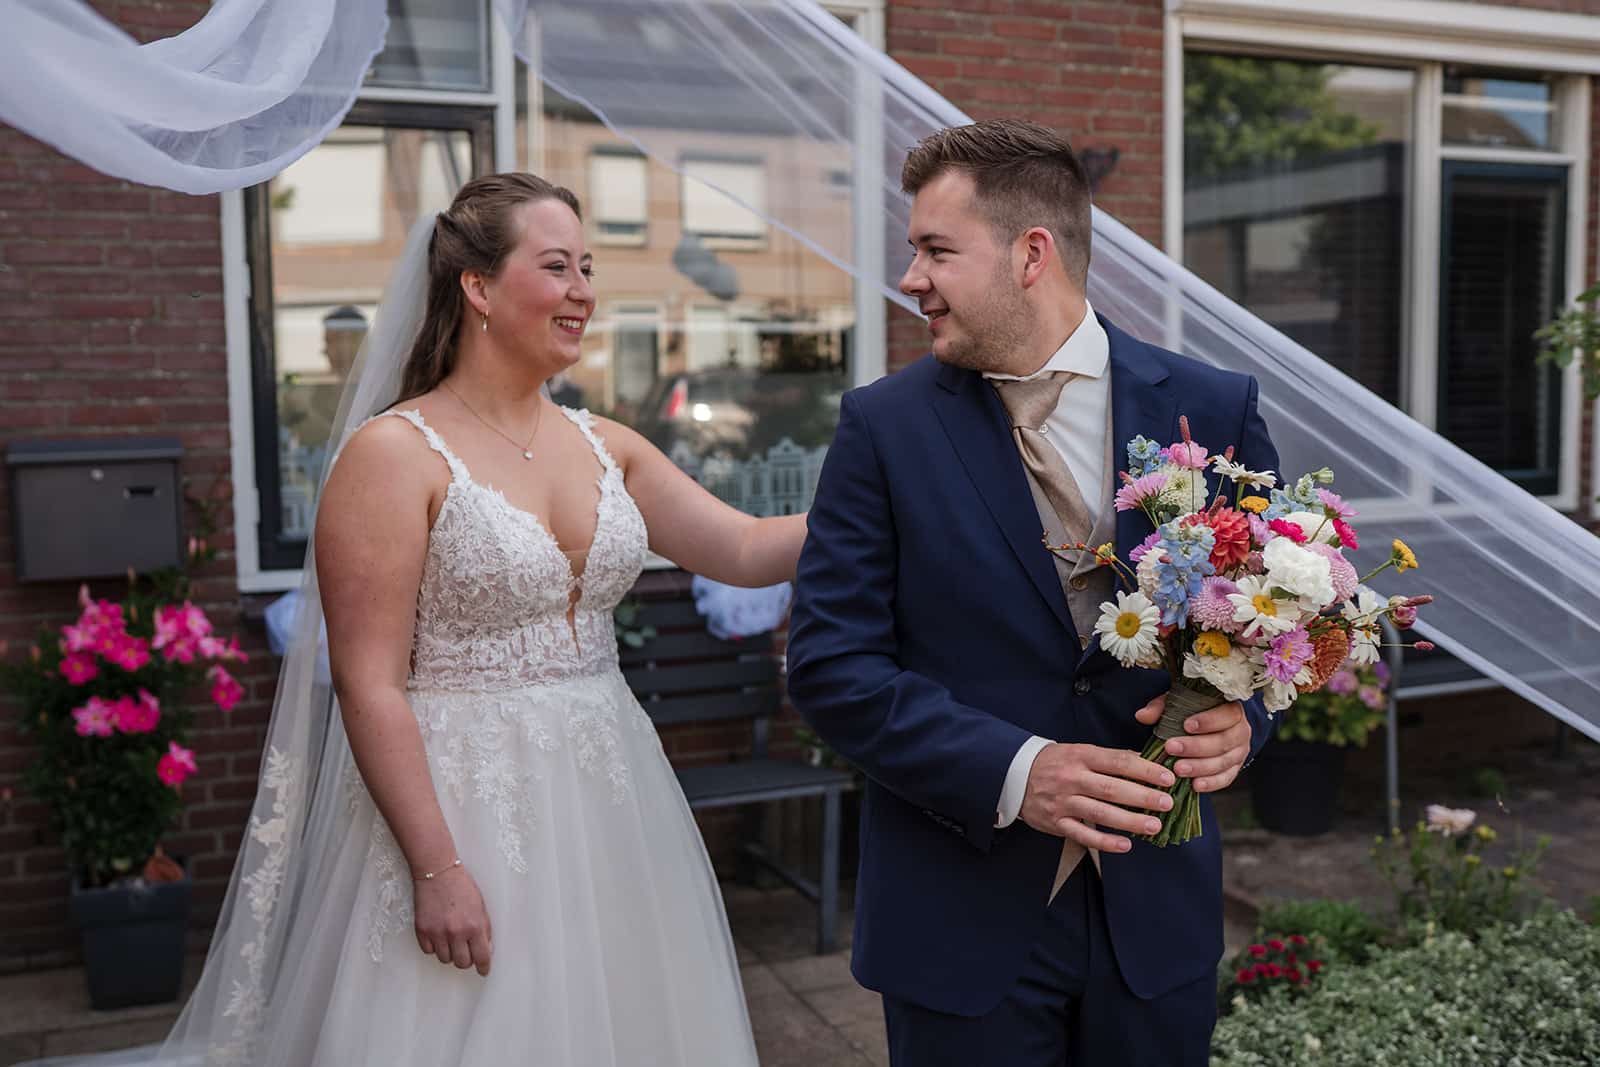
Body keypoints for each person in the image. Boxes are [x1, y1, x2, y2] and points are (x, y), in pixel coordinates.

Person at [23, 174, 800, 1067]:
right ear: (478, 286)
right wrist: (438, 868)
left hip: (609, 791)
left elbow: (745, 547)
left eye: (587, 266)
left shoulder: (608, 445)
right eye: (557, 266)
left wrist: (884, 504)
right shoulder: (394, 454)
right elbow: (370, 684)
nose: (584, 289)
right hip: (462, 802)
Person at [786, 120, 1281, 1066]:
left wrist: (1245, 721)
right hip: (959, 919)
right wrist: (1017, 771)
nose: (911, 278)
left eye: (936, 250)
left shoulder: (1215, 409)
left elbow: (1271, 623)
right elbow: (830, 667)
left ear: (1031, 254)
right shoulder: (881, 429)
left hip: (1155, 918)